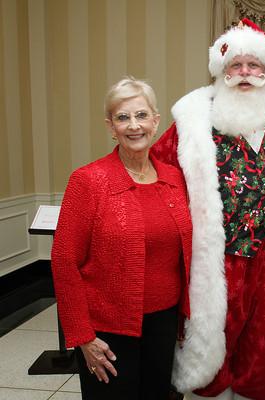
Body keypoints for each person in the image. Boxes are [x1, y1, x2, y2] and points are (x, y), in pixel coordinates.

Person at [152, 19, 265, 400]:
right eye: (235, 66)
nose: (245, 74)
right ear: (221, 72)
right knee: (217, 334)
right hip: (221, 258)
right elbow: (156, 172)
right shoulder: (192, 124)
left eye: (253, 66)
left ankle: (254, 392)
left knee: (264, 338)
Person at [51, 77, 193, 400]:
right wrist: (83, 337)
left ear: (156, 121)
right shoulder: (88, 181)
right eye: (122, 117)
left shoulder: (174, 178)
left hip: (165, 323)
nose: (134, 126)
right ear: (110, 126)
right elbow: (63, 261)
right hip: (109, 330)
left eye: (141, 115)